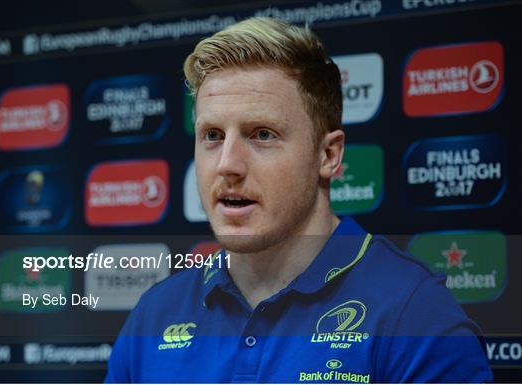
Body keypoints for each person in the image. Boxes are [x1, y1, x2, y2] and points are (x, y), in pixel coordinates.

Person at [105, 17, 492, 383]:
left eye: (262, 134)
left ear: (328, 156)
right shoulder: (153, 316)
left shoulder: (416, 319)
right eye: (212, 135)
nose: (227, 165)